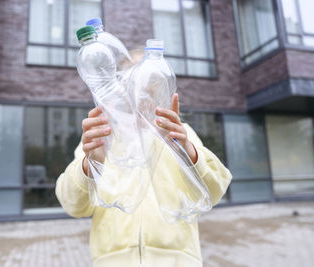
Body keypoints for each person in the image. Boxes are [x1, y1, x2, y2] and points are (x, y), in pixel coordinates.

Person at [56, 52, 232, 267]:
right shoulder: (102, 136)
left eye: (149, 73)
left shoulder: (179, 134)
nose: (139, 80)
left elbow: (214, 192)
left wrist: (186, 151)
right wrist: (90, 165)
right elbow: (73, 205)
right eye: (131, 73)